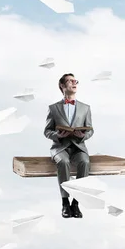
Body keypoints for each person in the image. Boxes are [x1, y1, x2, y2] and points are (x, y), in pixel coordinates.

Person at [43, 73, 94, 218]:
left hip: (79, 147)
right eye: (70, 81)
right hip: (60, 147)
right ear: (62, 86)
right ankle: (65, 203)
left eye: (75, 80)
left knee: (85, 161)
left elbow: (91, 129)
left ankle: (76, 204)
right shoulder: (53, 108)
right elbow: (47, 131)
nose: (74, 83)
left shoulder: (85, 108)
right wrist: (57, 135)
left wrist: (83, 135)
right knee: (63, 162)